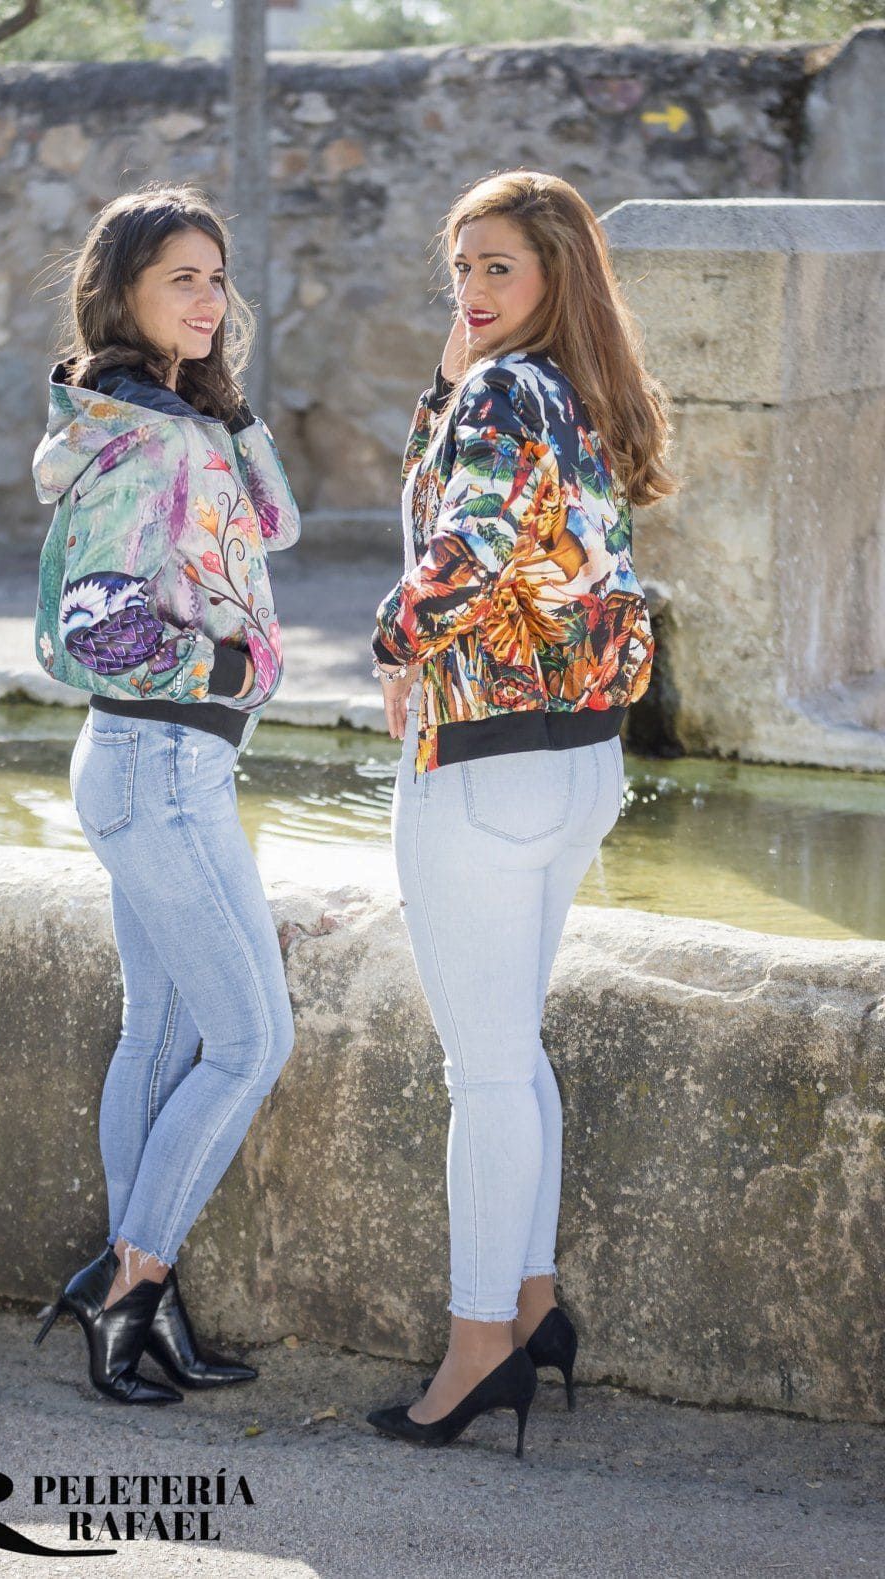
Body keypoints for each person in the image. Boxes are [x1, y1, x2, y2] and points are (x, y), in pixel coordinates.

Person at [365, 170, 675, 1455]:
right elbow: (469, 510)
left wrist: (392, 642)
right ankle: (535, 1303)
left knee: (484, 1070)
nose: (472, 287)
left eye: (497, 265)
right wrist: (440, 389)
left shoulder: (505, 391)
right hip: (578, 764)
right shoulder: (576, 389)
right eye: (461, 266)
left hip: (485, 768)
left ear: (556, 270)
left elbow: (468, 541)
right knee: (516, 1052)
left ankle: (479, 1344)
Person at [30, 183, 301, 1405]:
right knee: (251, 1040)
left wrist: (226, 403)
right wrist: (231, 669)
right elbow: (96, 626)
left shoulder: (173, 419)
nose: (209, 297)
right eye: (180, 279)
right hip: (159, 762)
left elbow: (275, 523)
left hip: (157, 764)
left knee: (165, 1032)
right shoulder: (145, 439)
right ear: (121, 294)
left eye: (216, 276)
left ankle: (144, 1304)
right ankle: (132, 1277)